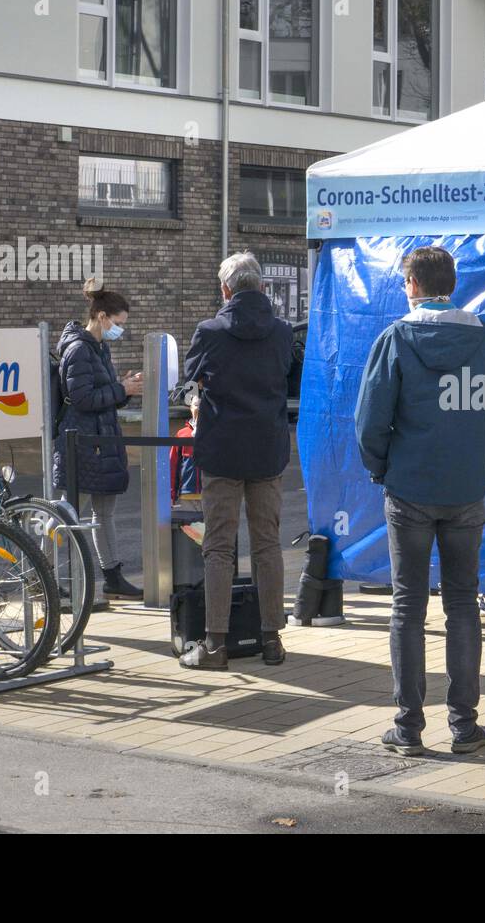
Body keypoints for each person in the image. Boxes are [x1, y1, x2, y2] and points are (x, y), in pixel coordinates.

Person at [355, 246, 485, 756]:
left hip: (408, 490)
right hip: (466, 490)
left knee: (408, 606)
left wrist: (382, 469)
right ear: (452, 282)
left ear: (411, 284)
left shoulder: (395, 340)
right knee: (462, 605)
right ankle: (464, 726)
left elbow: (369, 420)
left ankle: (408, 728)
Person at [180, 251, 294, 670]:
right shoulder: (283, 333)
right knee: (268, 545)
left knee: (219, 549)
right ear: (261, 287)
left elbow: (191, 379)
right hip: (267, 450)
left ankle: (214, 644)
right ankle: (271, 640)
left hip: (223, 451)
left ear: (225, 289)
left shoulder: (209, 330)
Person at [53, 277, 144, 600]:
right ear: (102, 316)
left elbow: (101, 395)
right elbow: (81, 398)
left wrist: (124, 387)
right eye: (118, 323)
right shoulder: (79, 349)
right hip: (83, 443)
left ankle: (113, 575)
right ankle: (42, 574)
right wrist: (121, 389)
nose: (119, 330)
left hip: (100, 441)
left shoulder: (99, 348)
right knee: (66, 513)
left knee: (102, 512)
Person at [170, 394, 201, 502]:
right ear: (191, 407)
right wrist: (171, 495)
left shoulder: (217, 432)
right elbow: (173, 465)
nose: (199, 408)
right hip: (187, 494)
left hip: (212, 494)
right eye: (196, 405)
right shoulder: (182, 434)